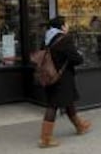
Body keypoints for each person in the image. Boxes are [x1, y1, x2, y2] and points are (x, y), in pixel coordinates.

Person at [39, 16, 92, 148]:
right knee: (53, 105)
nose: (67, 26)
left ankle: (80, 126)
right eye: (66, 24)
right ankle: (45, 138)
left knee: (67, 100)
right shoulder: (64, 39)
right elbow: (76, 59)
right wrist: (80, 56)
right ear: (62, 26)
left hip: (49, 75)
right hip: (62, 78)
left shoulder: (46, 39)